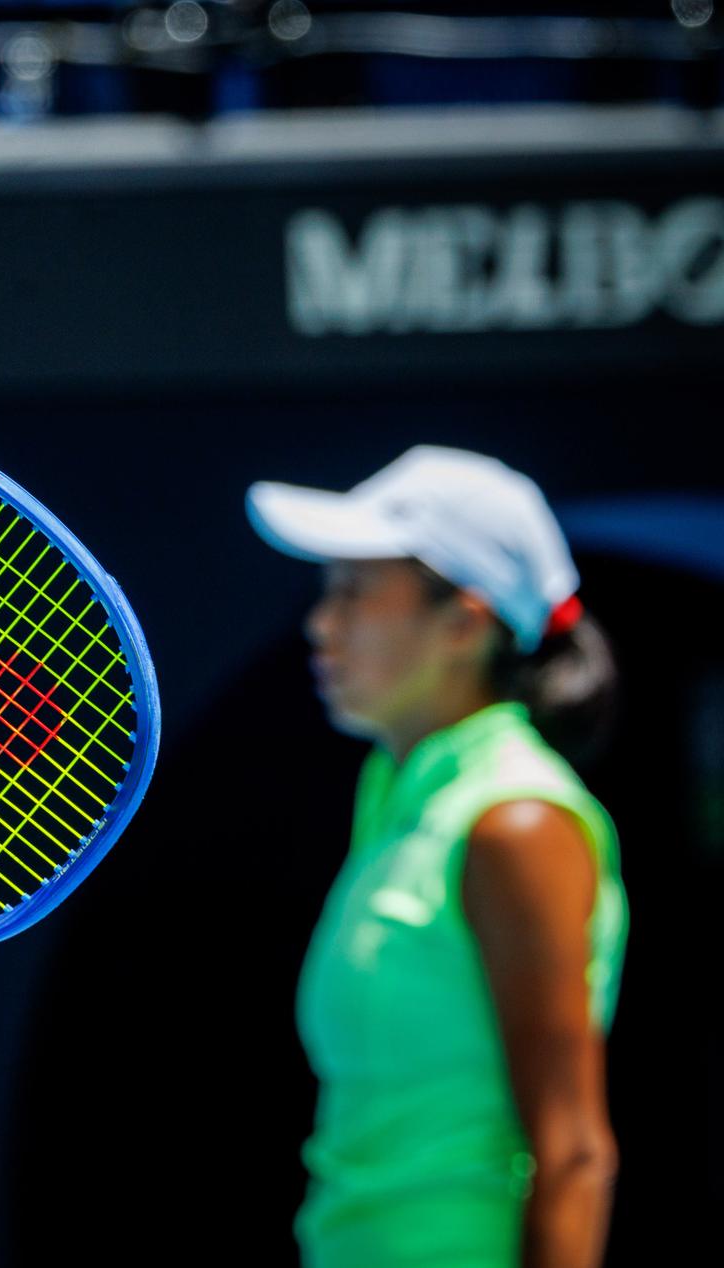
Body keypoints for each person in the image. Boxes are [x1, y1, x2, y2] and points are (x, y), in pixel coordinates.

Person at [247, 446, 628, 1268]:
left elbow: (573, 1154)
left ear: (463, 623)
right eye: (326, 592)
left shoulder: (513, 822)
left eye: (354, 592)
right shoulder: (398, 793)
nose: (322, 622)